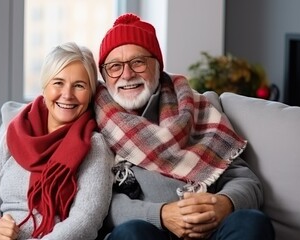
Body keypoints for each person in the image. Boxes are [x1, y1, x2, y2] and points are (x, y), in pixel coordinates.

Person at [94, 13, 275, 240]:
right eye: (114, 66)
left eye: (138, 62)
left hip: (210, 228)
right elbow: (97, 202)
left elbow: (246, 181)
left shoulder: (198, 108)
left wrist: (223, 203)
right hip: (150, 230)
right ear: (104, 74)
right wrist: (160, 214)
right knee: (131, 234)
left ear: (157, 66)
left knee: (252, 223)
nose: (127, 74)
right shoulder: (96, 123)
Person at [0, 42, 114, 240]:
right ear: (45, 86)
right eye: (58, 83)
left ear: (91, 92)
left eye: (79, 86)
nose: (67, 95)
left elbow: (85, 221)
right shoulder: (15, 132)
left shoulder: (94, 146)